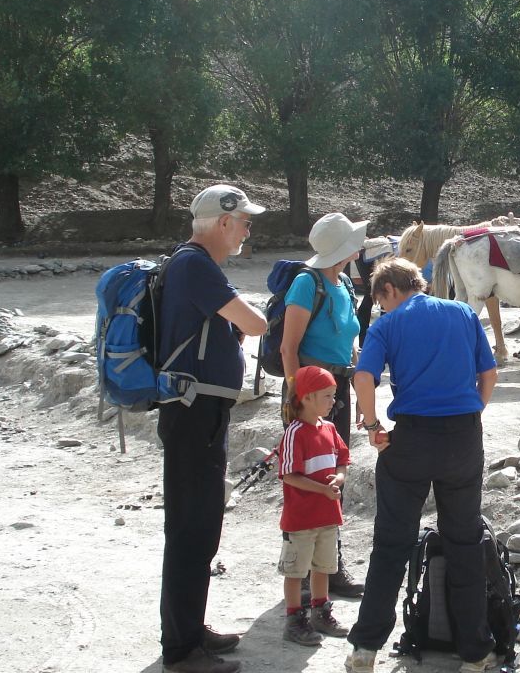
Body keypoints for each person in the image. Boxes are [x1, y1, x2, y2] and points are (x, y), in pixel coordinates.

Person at [344, 258, 499, 673]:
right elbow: (489, 372)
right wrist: (473, 415)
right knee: (465, 543)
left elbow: (364, 377)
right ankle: (475, 652)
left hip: (410, 439)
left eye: (381, 301)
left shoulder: (387, 325)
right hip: (463, 438)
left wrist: (374, 425)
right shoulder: (463, 312)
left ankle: (365, 649)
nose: (382, 308)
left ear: (389, 290)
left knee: (391, 545)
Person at [158, 184, 269, 673]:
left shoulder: (190, 264)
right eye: (245, 221)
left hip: (198, 411)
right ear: (223, 222)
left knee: (200, 524)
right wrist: (248, 314)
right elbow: (256, 323)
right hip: (193, 412)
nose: (248, 229)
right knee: (192, 527)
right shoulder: (195, 265)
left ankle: (189, 629)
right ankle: (182, 650)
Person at [280, 212, 368, 599]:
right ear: (344, 249)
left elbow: (350, 338)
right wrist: (301, 400)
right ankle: (299, 573)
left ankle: (329, 566)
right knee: (304, 478)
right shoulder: (306, 283)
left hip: (337, 388)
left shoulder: (345, 283)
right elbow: (288, 347)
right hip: (310, 394)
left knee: (332, 473)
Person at [278, 366, 352, 645]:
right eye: (328, 395)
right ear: (307, 397)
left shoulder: (330, 429)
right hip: (301, 519)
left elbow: (343, 459)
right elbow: (289, 475)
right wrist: (322, 489)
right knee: (296, 571)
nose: (334, 401)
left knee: (323, 567)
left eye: (334, 395)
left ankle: (320, 612)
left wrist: (340, 477)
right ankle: (294, 619)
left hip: (327, 516)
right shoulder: (295, 432)